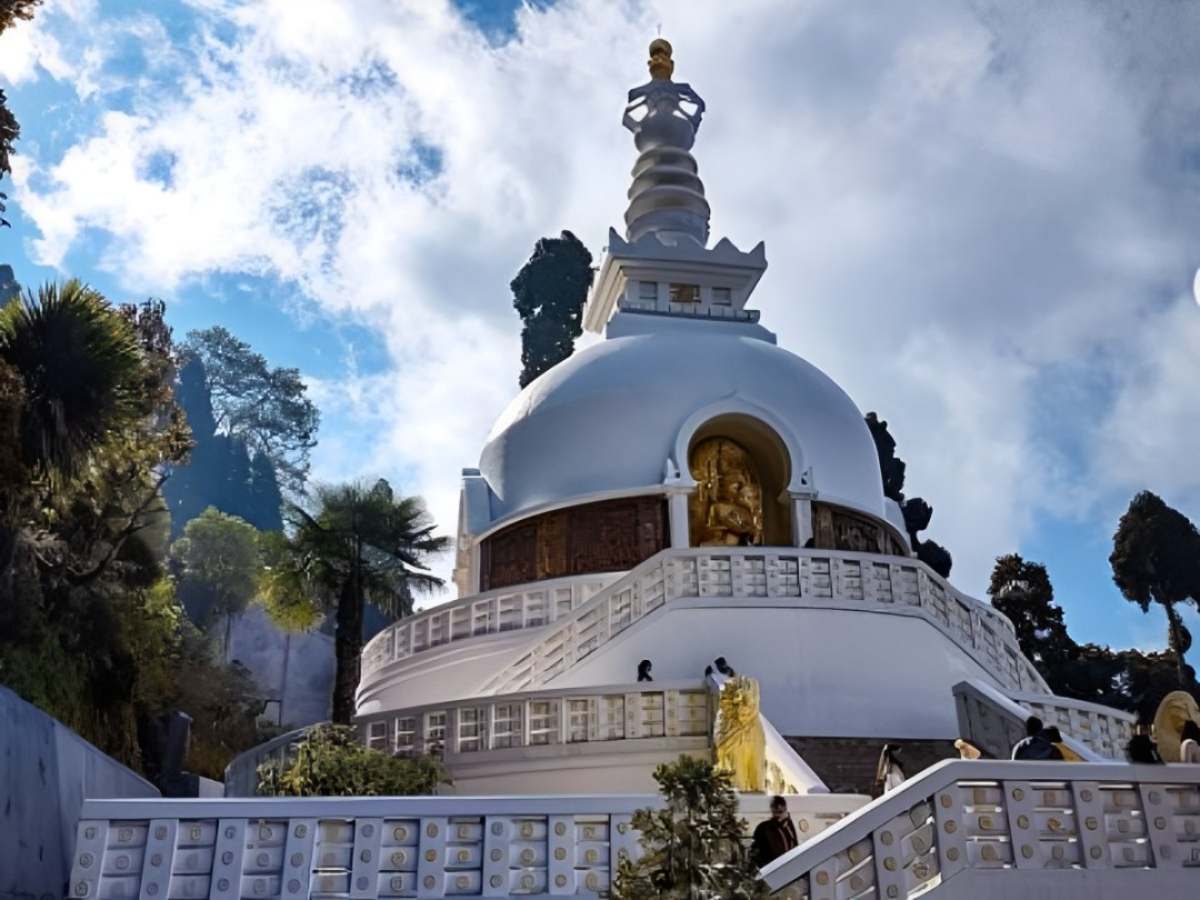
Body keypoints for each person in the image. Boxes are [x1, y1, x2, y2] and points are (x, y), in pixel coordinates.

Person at [750, 795, 799, 869]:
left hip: (788, 868)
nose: (778, 815)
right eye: (775, 811)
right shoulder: (764, 828)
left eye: (780, 811)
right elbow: (755, 853)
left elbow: (795, 847)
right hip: (772, 869)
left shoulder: (789, 826)